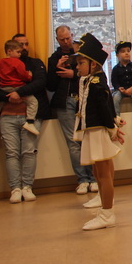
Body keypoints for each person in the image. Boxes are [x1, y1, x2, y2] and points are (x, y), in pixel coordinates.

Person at [0, 33, 49, 203]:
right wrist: (7, 97)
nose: (23, 48)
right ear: (11, 49)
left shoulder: (35, 63)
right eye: (20, 45)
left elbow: (40, 82)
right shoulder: (2, 64)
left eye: (26, 44)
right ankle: (15, 188)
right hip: (7, 115)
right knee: (11, 153)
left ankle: (27, 187)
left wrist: (19, 93)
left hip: (30, 116)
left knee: (29, 152)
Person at [73, 34, 125, 230]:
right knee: (99, 172)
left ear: (93, 64)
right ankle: (104, 204)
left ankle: (107, 213)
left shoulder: (96, 82)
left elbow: (104, 106)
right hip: (94, 129)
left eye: (81, 63)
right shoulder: (90, 80)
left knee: (103, 174)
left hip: (98, 130)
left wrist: (112, 127)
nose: (77, 67)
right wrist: (114, 120)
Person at [47, 25, 97, 194]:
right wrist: (56, 68)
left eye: (68, 38)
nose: (66, 41)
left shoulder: (82, 53)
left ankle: (94, 178)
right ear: (57, 40)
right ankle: (82, 179)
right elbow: (50, 86)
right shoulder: (54, 58)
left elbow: (93, 74)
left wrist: (73, 74)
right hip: (64, 102)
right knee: (73, 143)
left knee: (88, 139)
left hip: (83, 100)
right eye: (62, 39)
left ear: (72, 35)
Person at [0, 40, 39, 135]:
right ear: (9, 51)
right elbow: (24, 76)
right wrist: (29, 75)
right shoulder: (18, 63)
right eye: (18, 52)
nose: (20, 54)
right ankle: (30, 121)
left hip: (4, 88)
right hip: (17, 87)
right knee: (33, 102)